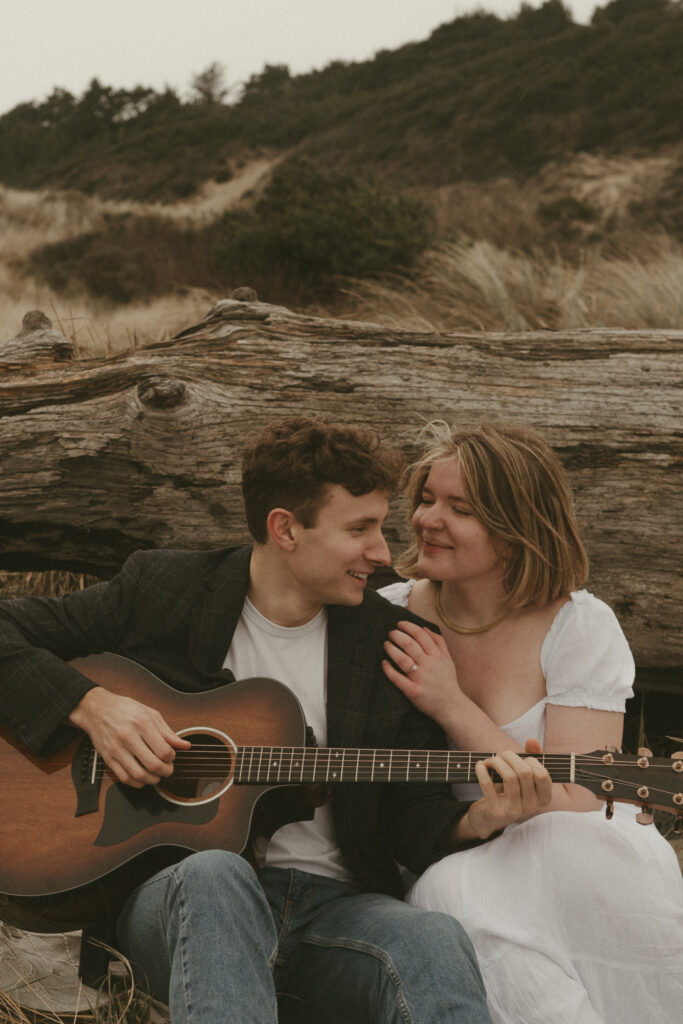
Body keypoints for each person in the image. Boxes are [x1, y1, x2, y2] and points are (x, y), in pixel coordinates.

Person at [0, 416, 493, 1024]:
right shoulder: (168, 589)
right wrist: (93, 705)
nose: (384, 553)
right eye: (360, 529)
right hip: (179, 906)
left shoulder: (394, 641)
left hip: (334, 915)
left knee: (433, 938)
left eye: (382, 527)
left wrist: (476, 819)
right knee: (215, 873)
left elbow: (407, 821)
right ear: (284, 528)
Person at [379, 420, 683, 1024]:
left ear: (515, 532)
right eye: (426, 498)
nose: (426, 519)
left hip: (577, 844)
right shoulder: (384, 618)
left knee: (565, 849)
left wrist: (452, 704)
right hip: (462, 851)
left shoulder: (578, 626)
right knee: (450, 896)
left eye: (458, 508)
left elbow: (576, 797)